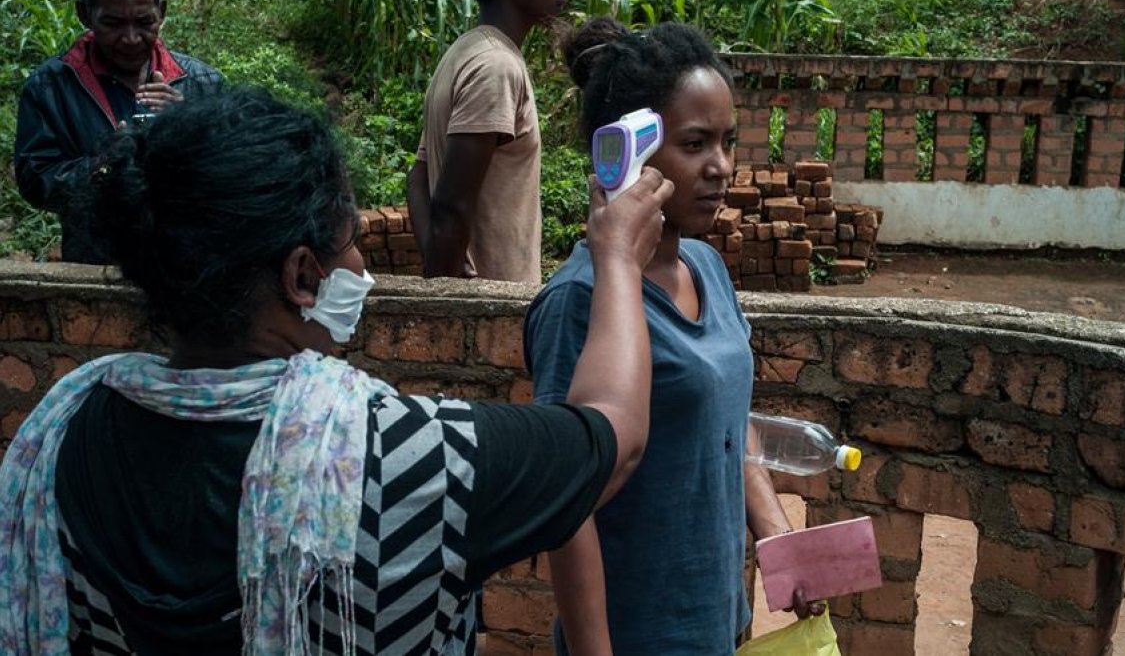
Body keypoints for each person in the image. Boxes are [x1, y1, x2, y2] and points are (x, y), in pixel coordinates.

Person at [0, 89, 673, 655]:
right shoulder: (412, 458)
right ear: (301, 275)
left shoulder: (60, 435)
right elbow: (613, 436)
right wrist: (615, 259)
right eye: (349, 237)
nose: (360, 266)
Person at [524, 19, 825, 656]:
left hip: (718, 619)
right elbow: (564, 503)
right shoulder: (580, 301)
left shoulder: (706, 268)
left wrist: (774, 533)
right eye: (694, 144)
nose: (720, 167)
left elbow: (726, 417)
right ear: (628, 151)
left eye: (728, 141)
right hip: (637, 634)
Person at [14, 0, 223, 263]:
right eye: (113, 23)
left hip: (186, 268)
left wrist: (190, 126)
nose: (131, 38)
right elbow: (36, 184)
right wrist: (104, 161)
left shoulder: (204, 82)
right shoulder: (50, 87)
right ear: (85, 14)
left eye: (144, 22)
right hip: (96, 267)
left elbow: (231, 180)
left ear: (161, 12)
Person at [405, 0, 566, 283]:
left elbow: (418, 177)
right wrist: (447, 286)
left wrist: (437, 271)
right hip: (492, 304)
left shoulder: (464, 51)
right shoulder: (496, 66)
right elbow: (452, 205)